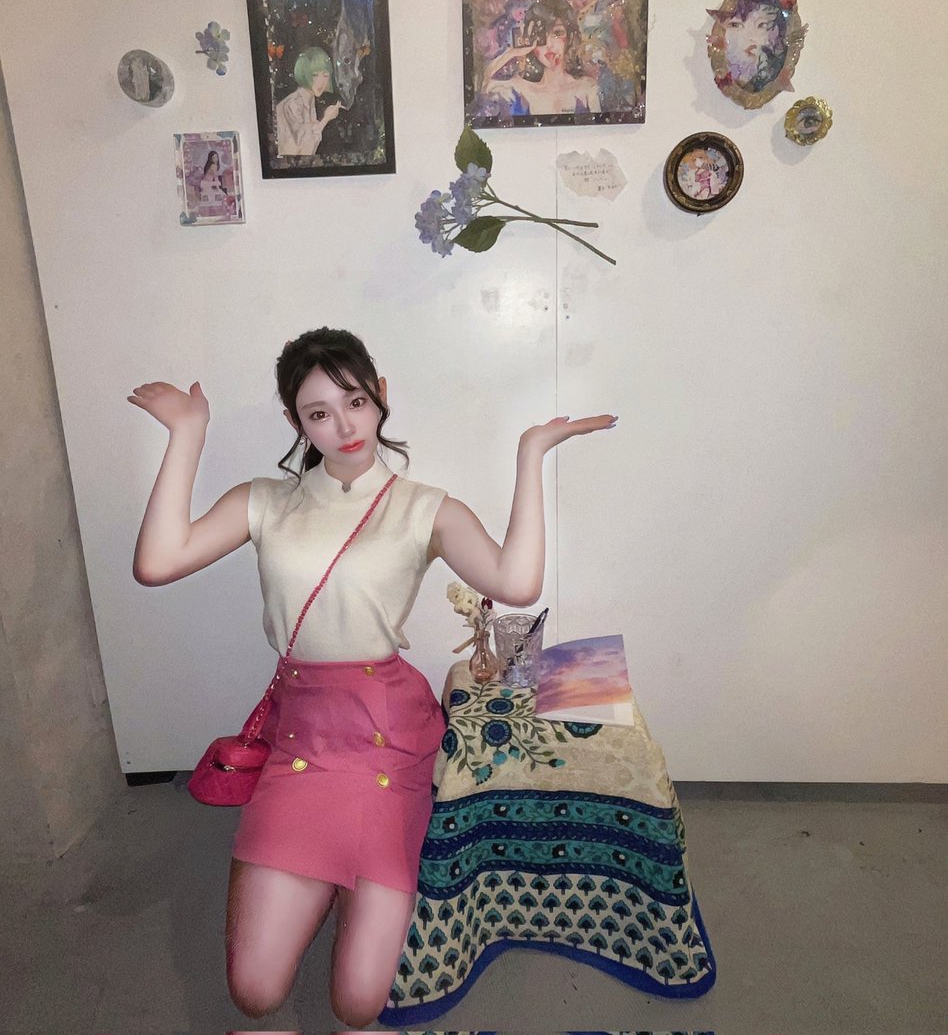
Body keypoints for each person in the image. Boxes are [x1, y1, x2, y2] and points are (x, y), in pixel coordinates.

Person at [128, 327, 616, 1026]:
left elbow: (516, 582)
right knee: (254, 992)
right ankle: (323, 882)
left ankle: (344, 886)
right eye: (318, 413)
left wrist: (530, 453)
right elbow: (157, 563)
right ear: (296, 421)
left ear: (381, 395)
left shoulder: (424, 507)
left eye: (355, 401)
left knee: (357, 1004)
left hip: (388, 741)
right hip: (302, 742)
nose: (344, 426)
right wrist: (187, 431)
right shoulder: (265, 500)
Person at [478, 0, 601, 117]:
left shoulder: (586, 88)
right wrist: (513, 52)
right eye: (540, 36)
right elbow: (485, 87)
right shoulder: (521, 89)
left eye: (557, 33)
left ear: (569, 37)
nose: (549, 45)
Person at [274, 47, 342, 156]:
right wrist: (326, 118)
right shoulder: (294, 103)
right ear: (304, 73)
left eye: (325, 75)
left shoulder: (309, 100)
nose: (321, 82)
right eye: (315, 75)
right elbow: (304, 149)